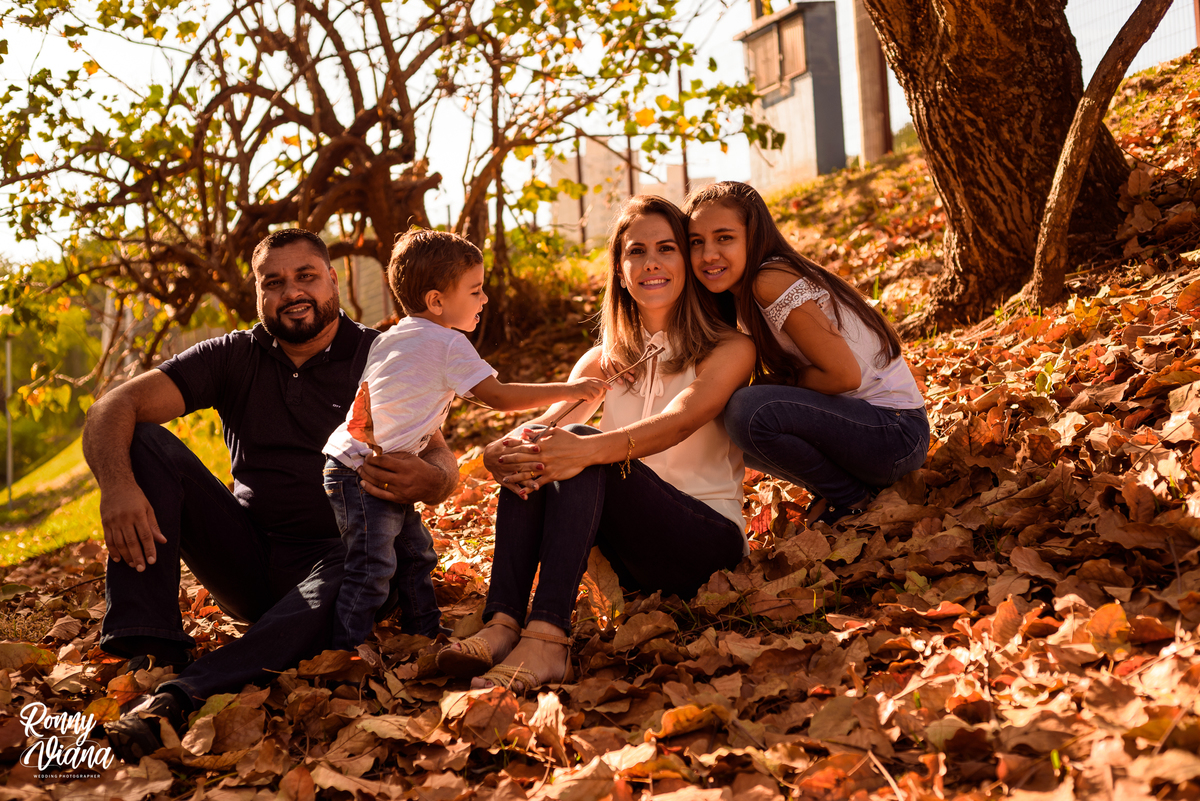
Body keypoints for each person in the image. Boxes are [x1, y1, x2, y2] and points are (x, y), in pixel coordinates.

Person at [84, 228, 459, 760]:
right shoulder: (233, 355)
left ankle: (180, 696)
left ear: (333, 280)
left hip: (352, 558)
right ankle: (150, 649)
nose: (292, 292)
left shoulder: (380, 353)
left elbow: (440, 454)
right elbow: (110, 408)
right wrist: (118, 487)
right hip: (252, 558)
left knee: (364, 557)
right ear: (258, 293)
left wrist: (435, 480)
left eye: (306, 276)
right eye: (274, 282)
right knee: (142, 441)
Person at [435, 195, 756, 694]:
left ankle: (547, 640)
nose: (651, 262)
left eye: (667, 248)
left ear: (687, 263)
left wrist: (587, 449)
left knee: (584, 446)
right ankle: (503, 622)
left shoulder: (729, 347)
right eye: (636, 252)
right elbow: (547, 426)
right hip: (632, 559)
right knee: (538, 449)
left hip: (706, 545)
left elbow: (681, 420)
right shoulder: (601, 361)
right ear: (620, 271)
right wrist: (506, 447)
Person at [323, 230, 608, 649]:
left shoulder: (391, 337)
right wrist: (570, 389)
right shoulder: (447, 342)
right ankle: (345, 651)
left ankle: (423, 632)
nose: (485, 299)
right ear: (437, 301)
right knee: (372, 566)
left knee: (416, 553)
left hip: (351, 463)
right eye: (475, 291)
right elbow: (499, 397)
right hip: (363, 471)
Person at [684, 181, 929, 525]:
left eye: (724, 237)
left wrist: (775, 382)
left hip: (897, 435)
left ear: (754, 237)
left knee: (747, 410)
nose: (708, 254)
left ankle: (850, 498)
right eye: (696, 242)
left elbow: (844, 376)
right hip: (875, 434)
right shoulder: (739, 295)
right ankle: (848, 491)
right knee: (722, 409)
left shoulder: (769, 280)